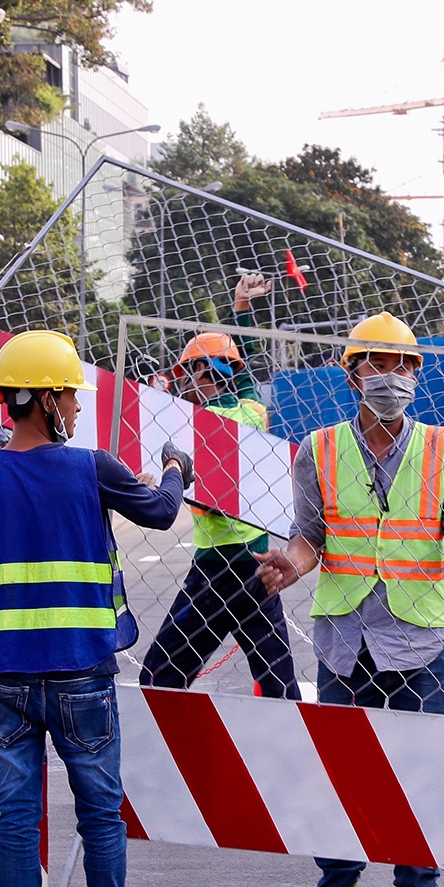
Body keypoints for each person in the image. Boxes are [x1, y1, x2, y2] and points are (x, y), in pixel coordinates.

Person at [254, 311, 444, 887]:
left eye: (405, 364)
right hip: (346, 640)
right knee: (342, 777)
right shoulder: (318, 449)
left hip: (422, 642)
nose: (393, 376)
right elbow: (310, 536)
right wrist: (290, 564)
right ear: (352, 373)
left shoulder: (443, 449)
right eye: (379, 362)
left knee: (423, 777)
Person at [0, 329, 184, 887]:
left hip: (12, 677)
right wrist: (174, 466)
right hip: (85, 677)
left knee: (17, 816)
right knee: (101, 813)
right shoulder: (91, 468)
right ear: (46, 398)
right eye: (71, 395)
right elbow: (162, 513)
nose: (77, 407)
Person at [141, 289, 302, 702]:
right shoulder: (252, 414)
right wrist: (242, 312)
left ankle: (172, 753)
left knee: (160, 675)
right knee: (277, 681)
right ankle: (297, 752)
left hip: (214, 566)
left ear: (202, 371)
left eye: (189, 372)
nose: (184, 382)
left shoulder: (188, 426)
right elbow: (247, 373)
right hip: (258, 562)